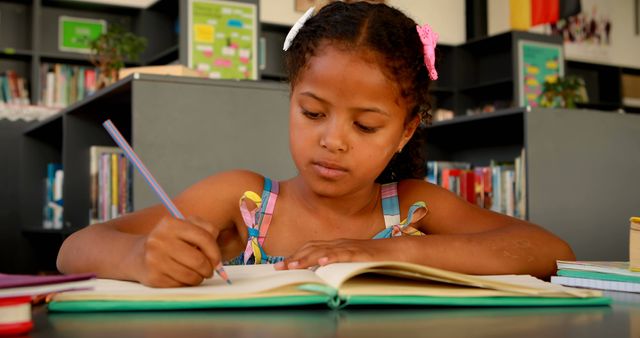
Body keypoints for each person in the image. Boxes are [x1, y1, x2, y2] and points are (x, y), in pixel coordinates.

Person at [57, 1, 575, 287]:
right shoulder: (243, 202)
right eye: (312, 113)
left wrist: (378, 255)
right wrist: (139, 257)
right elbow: (72, 250)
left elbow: (551, 252)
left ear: (406, 131)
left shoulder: (416, 206)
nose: (332, 141)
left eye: (366, 126)